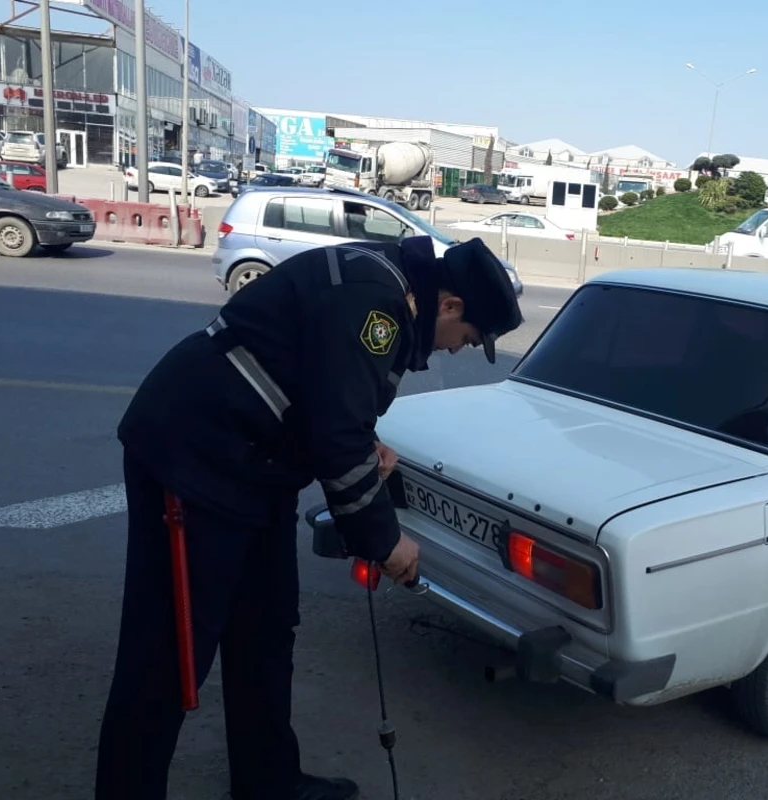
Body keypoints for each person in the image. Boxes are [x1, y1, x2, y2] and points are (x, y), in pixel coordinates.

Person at [94, 235, 523, 800]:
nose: (455, 350)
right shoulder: (380, 301)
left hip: (257, 467)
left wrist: (364, 441)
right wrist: (386, 543)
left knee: (266, 630)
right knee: (168, 656)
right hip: (197, 459)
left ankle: (267, 781)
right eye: (466, 339)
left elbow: (326, 385)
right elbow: (334, 436)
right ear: (450, 306)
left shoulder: (387, 281)